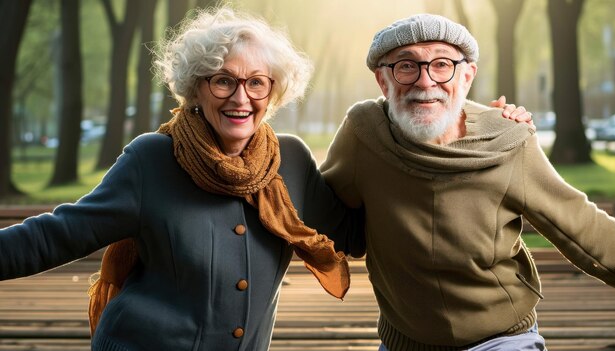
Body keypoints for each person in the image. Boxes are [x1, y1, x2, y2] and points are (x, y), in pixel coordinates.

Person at [0, 7, 529, 351]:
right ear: (196, 89)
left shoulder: (292, 162)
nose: (240, 96)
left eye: (257, 82)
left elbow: (359, 233)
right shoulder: (151, 160)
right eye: (223, 80)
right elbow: (56, 234)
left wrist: (466, 129)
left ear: (273, 93)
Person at [320, 13, 615, 351]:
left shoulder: (508, 140)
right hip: (404, 343)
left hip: (501, 339)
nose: (425, 82)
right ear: (383, 80)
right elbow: (325, 217)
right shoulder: (364, 134)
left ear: (467, 76)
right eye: (406, 66)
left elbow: (580, 225)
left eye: (441, 65)